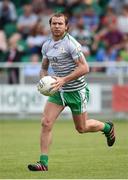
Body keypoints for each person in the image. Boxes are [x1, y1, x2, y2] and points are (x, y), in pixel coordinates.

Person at [28, 13, 115, 171]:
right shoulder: (46, 45)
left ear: (66, 26)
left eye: (60, 24)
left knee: (81, 128)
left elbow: (85, 68)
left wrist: (63, 80)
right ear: (50, 25)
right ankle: (43, 163)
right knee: (46, 123)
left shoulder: (71, 44)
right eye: (54, 23)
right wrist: (44, 80)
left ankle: (107, 128)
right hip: (58, 90)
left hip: (75, 91)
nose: (56, 26)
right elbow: (43, 68)